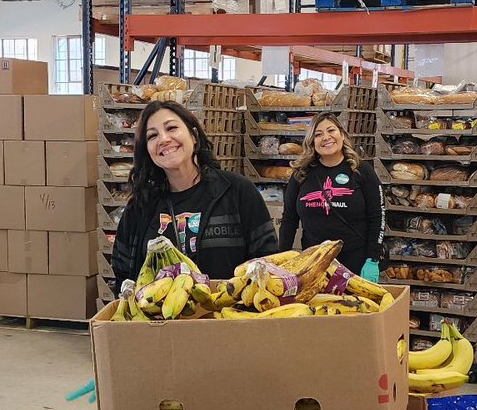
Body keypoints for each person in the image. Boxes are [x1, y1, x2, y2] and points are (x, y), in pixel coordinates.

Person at [112, 101, 277, 288]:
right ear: (147, 150)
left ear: (194, 136)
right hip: (160, 316)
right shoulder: (141, 206)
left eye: (172, 128)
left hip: (228, 314)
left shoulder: (237, 192)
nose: (164, 139)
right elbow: (123, 272)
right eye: (152, 136)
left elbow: (267, 260)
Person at [279, 113, 383, 279]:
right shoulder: (301, 174)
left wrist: (373, 258)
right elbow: (289, 220)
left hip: (355, 262)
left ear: (341, 134)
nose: (326, 138)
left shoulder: (361, 171)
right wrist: (282, 258)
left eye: (331, 130)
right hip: (313, 263)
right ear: (312, 142)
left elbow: (378, 216)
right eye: (318, 134)